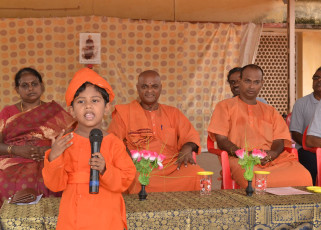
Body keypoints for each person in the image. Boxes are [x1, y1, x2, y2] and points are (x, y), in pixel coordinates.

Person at [42, 68, 136, 229]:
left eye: (95, 100)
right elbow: (55, 185)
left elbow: (127, 178)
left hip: (107, 214)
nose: (88, 106)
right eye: (80, 101)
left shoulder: (114, 142)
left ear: (106, 107)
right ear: (71, 110)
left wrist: (106, 170)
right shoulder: (65, 142)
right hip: (74, 214)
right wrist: (54, 157)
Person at [208, 64, 312, 188]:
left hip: (273, 159)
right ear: (239, 82)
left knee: (303, 176)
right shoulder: (224, 106)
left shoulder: (270, 111)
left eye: (256, 82)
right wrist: (244, 154)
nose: (252, 86)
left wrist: (272, 154)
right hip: (241, 159)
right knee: (254, 180)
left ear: (262, 83)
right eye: (247, 81)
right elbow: (222, 140)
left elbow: (279, 139)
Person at [108, 70, 204, 194]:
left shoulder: (173, 113)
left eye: (154, 86)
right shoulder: (125, 113)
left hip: (172, 166)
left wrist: (187, 147)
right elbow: (113, 140)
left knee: (196, 174)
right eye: (144, 87)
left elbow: (190, 134)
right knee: (135, 178)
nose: (149, 91)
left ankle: (191, 212)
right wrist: (128, 159)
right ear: (137, 88)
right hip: (142, 167)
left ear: (160, 88)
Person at [0, 67, 75, 204]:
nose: (30, 88)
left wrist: (50, 151)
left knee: (55, 177)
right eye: (25, 85)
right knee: (4, 180)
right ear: (17, 89)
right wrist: (16, 150)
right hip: (14, 159)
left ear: (41, 86)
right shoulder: (7, 112)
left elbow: (69, 139)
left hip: (48, 158)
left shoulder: (54, 111)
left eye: (34, 84)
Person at [290, 67, 321, 184]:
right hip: (308, 149)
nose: (319, 80)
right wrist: (311, 146)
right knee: (312, 162)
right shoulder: (301, 103)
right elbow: (295, 132)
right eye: (316, 77)